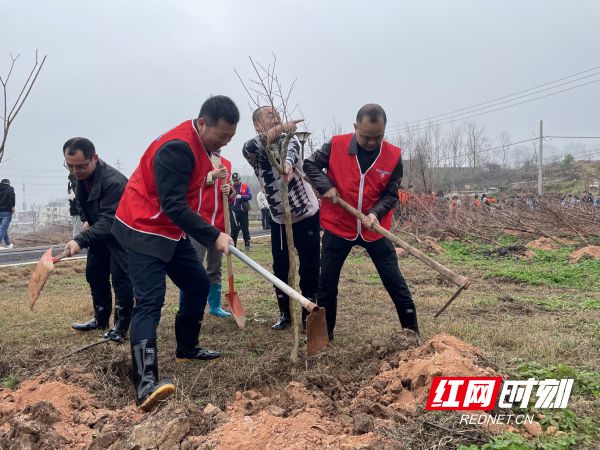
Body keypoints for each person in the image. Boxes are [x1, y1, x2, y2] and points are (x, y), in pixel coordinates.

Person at [112, 95, 238, 412]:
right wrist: (213, 236)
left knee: (197, 285)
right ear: (201, 123)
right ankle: (145, 384)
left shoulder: (203, 148)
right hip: (143, 226)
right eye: (220, 135)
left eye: (229, 138)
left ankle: (187, 347)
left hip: (169, 229)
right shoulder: (178, 148)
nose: (223, 142)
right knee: (151, 300)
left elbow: (187, 200)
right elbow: (173, 205)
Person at [303, 103, 420, 342]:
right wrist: (327, 187)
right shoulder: (336, 145)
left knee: (394, 281)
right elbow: (310, 165)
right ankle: (324, 336)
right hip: (339, 225)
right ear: (355, 127)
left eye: (378, 137)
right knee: (326, 285)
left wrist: (376, 213)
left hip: (374, 229)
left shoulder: (393, 155)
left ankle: (412, 333)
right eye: (366, 137)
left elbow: (391, 193)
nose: (372, 142)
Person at [243, 106, 320, 330]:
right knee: (280, 268)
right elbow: (251, 145)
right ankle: (286, 314)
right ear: (257, 125)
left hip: (306, 214)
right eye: (270, 116)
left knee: (309, 266)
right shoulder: (253, 151)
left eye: (277, 115)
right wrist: (282, 127)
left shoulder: (290, 141)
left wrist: (286, 166)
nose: (276, 117)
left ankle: (310, 315)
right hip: (279, 219)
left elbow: (291, 154)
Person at [62, 138, 134, 343]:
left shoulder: (114, 182)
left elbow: (110, 221)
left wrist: (80, 240)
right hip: (98, 232)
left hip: (121, 233)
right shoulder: (77, 176)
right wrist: (86, 220)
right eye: (70, 166)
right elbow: (81, 203)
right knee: (95, 274)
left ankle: (120, 327)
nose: (75, 171)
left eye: (80, 166)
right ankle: (100, 318)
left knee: (121, 279)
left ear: (94, 158)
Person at [185, 152, 235, 318]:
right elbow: (190, 187)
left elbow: (230, 193)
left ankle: (215, 306)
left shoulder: (227, 163)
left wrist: (231, 191)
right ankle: (186, 305)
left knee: (215, 268)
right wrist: (210, 176)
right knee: (193, 267)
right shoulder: (198, 161)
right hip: (199, 223)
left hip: (219, 226)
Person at [229, 172, 252, 251]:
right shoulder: (230, 187)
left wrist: (241, 196)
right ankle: (233, 247)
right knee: (233, 229)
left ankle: (247, 245)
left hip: (243, 211)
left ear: (240, 179)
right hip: (233, 211)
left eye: (237, 180)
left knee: (245, 228)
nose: (236, 182)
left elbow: (250, 196)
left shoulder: (245, 186)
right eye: (234, 180)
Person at [0, 179, 15, 249]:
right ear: (8, 183)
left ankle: (8, 243)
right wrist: (13, 207)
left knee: (2, 228)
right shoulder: (10, 188)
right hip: (6, 211)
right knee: (3, 228)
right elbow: (12, 198)